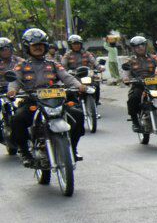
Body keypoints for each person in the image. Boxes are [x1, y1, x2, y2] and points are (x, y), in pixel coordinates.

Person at [5, 28, 86, 165]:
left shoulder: (53, 64)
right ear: (27, 47)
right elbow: (14, 81)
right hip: (32, 101)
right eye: (34, 46)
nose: (38, 48)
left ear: (45, 47)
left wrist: (79, 85)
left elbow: (66, 77)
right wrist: (12, 91)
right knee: (17, 119)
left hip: (55, 101)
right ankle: (25, 152)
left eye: (40, 45)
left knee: (77, 115)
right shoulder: (21, 66)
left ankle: (72, 148)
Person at [122, 35, 157, 127]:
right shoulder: (129, 60)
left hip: (153, 83)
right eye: (137, 46)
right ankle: (135, 122)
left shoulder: (154, 58)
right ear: (133, 48)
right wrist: (126, 79)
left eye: (142, 45)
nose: (140, 48)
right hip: (138, 85)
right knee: (133, 99)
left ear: (146, 46)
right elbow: (125, 73)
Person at [61, 34, 100, 103]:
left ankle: (96, 101)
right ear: (71, 45)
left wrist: (99, 67)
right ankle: (70, 104)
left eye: (78, 44)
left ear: (81, 44)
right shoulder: (67, 55)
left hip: (86, 75)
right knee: (67, 89)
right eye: (74, 44)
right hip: (74, 76)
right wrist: (64, 70)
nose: (76, 45)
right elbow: (63, 64)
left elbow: (93, 61)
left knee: (96, 84)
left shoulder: (87, 53)